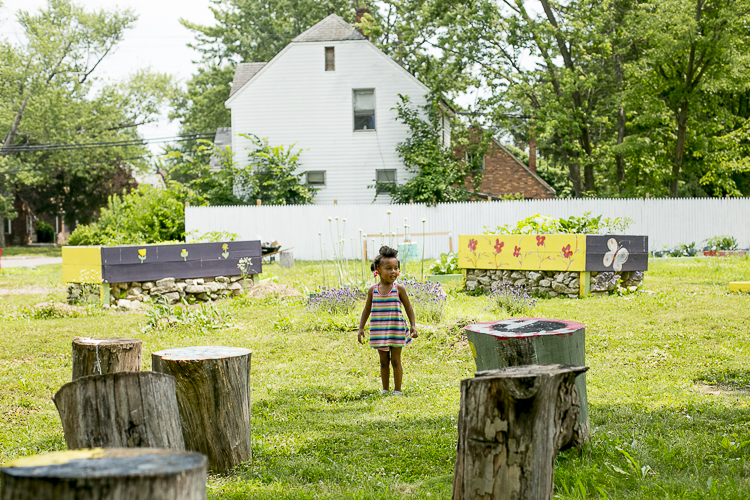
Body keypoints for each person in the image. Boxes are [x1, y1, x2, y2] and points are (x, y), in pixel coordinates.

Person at [358, 246, 418, 396]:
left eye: (396, 268)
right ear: (377, 269)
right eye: (388, 268)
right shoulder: (373, 290)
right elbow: (366, 310)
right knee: (383, 361)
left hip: (396, 329)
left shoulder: (399, 289)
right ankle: (385, 389)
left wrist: (413, 326)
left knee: (396, 360)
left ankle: (397, 390)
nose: (393, 271)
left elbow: (408, 307)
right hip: (379, 330)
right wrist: (360, 328)